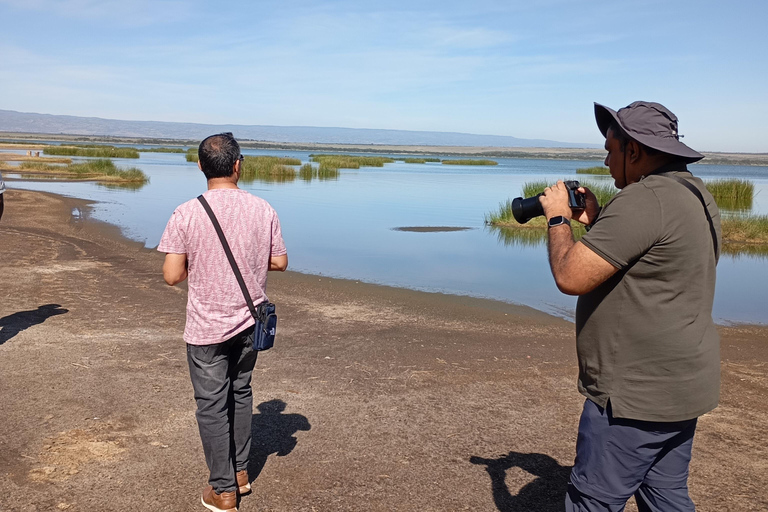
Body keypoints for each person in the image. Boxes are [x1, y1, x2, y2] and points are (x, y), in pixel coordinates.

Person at [539, 101, 721, 511]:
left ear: (634, 151)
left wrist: (557, 220)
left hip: (632, 398)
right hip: (681, 386)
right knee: (665, 495)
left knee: (592, 501)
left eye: (610, 149)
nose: (605, 161)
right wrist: (600, 220)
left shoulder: (644, 200)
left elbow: (570, 276)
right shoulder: (694, 193)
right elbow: (658, 265)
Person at [158, 133, 288, 512]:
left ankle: (223, 490)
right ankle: (242, 474)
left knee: (211, 405)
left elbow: (171, 275)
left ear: (200, 166)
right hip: (250, 322)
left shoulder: (185, 212)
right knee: (242, 392)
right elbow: (279, 262)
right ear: (236, 165)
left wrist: (201, 261)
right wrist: (249, 262)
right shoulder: (263, 209)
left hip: (205, 328)